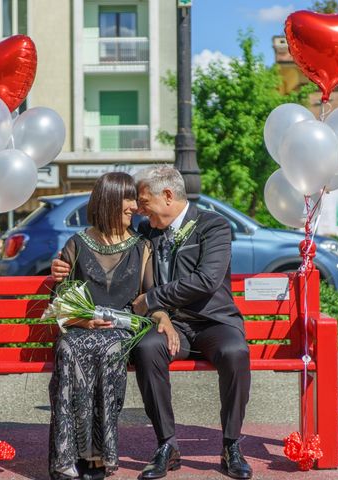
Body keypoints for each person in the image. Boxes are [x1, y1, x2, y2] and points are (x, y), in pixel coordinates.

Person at [52, 166, 253, 480]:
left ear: (168, 196)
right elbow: (107, 241)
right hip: (168, 325)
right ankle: (166, 444)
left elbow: (207, 280)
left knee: (235, 353)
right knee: (147, 348)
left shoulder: (213, 226)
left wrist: (152, 299)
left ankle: (231, 445)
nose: (140, 209)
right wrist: (61, 263)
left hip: (213, 322)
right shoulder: (146, 232)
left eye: (144, 201)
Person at [48, 172, 172, 480]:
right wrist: (80, 317)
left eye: (134, 199)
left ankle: (98, 457)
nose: (134, 206)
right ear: (109, 202)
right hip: (81, 326)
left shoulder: (141, 246)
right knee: (68, 348)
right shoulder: (77, 243)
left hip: (120, 327)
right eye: (128, 199)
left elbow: (147, 297)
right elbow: (62, 301)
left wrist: (163, 317)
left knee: (110, 349)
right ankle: (67, 457)